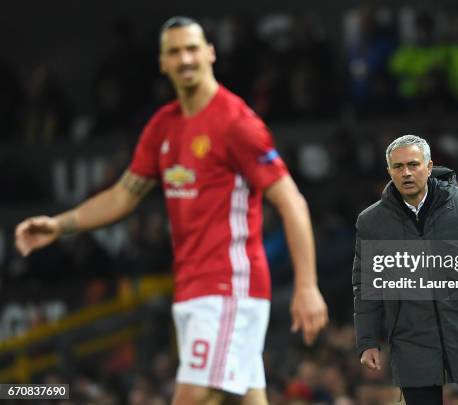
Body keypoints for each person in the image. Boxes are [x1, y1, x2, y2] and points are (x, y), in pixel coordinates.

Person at [14, 16, 328, 405]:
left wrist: (307, 285)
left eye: (192, 48)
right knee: (246, 398)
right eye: (175, 52)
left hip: (229, 284)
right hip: (192, 287)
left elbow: (291, 201)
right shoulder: (162, 127)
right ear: (162, 63)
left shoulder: (235, 122)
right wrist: (60, 225)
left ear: (210, 53)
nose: (185, 59)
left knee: (194, 396)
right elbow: (123, 196)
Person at [352, 135, 458, 405]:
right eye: (398, 167)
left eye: (413, 164)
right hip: (411, 338)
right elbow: (365, 286)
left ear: (429, 166)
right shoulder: (371, 222)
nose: (406, 172)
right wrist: (368, 341)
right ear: (389, 172)